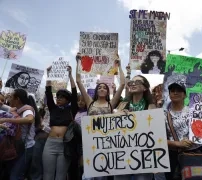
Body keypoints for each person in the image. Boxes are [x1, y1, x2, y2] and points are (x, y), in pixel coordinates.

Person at [76, 52, 125, 180]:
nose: (102, 89)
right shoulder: (89, 102)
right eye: (100, 87)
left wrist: (119, 66)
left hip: (106, 143)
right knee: (87, 176)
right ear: (97, 91)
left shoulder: (111, 104)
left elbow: (123, 84)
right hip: (89, 142)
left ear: (107, 91)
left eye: (104, 87)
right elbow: (78, 81)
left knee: (101, 176)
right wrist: (78, 62)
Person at [114, 75, 156, 180]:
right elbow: (112, 125)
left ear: (145, 88)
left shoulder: (151, 106)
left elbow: (155, 128)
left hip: (143, 156)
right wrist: (118, 114)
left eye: (137, 82)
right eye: (131, 82)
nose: (133, 84)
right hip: (122, 155)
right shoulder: (122, 105)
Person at [42, 65, 79, 180]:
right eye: (57, 96)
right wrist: (49, 75)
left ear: (67, 100)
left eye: (62, 97)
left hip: (65, 145)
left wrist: (70, 75)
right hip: (50, 144)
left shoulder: (71, 109)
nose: (58, 98)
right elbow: (48, 92)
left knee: (61, 176)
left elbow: (74, 92)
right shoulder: (53, 108)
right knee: (48, 175)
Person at [0, 89, 40, 180]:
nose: (9, 99)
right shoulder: (17, 109)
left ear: (17, 99)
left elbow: (29, 119)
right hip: (17, 146)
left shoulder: (27, 109)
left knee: (15, 176)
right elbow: (4, 107)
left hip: (26, 148)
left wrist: (6, 120)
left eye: (11, 97)